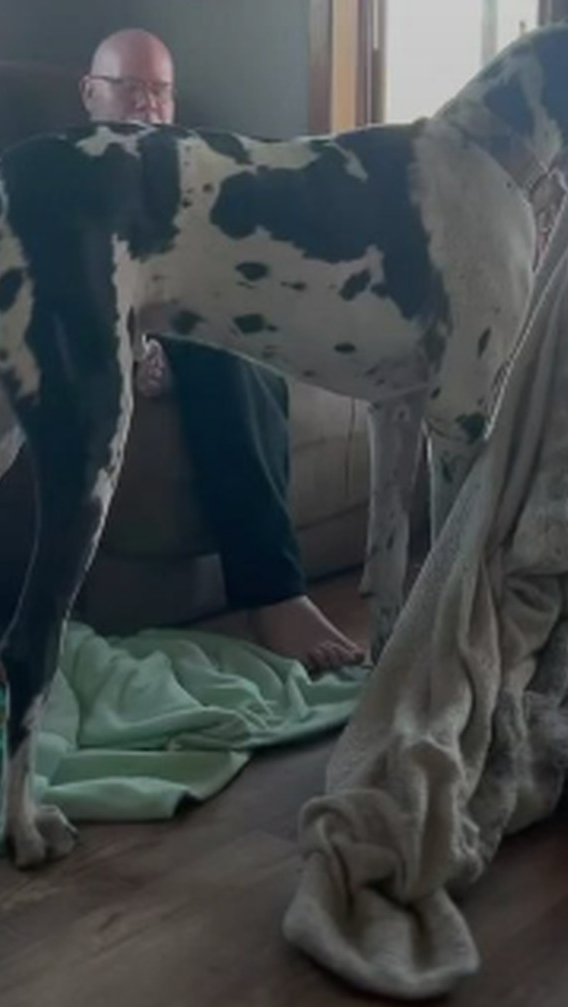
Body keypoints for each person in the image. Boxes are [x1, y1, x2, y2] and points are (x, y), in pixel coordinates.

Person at [80, 28, 364, 673]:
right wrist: (132, 343)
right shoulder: (72, 171)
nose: (148, 106)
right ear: (91, 93)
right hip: (136, 331)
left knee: (250, 354)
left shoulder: (190, 172)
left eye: (161, 92)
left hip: (199, 327)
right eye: (131, 88)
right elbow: (69, 279)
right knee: (224, 355)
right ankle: (275, 597)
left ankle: (278, 592)